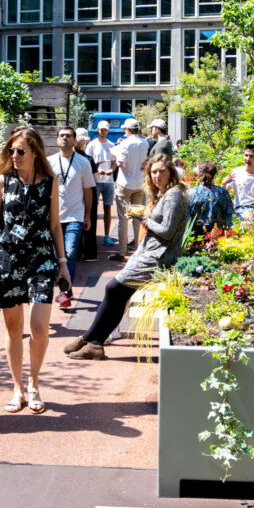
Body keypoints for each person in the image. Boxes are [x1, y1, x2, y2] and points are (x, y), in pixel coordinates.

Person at [66, 154, 188, 360]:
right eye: (154, 172)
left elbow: (167, 230)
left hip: (158, 257)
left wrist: (145, 220)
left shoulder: (174, 195)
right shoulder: (166, 193)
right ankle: (92, 340)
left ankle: (93, 340)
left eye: (162, 171)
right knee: (117, 293)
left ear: (171, 173)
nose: (157, 176)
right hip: (151, 253)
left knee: (114, 289)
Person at [0, 125, 68, 414]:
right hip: (8, 259)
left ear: (34, 153)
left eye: (20, 151)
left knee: (39, 328)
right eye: (11, 151)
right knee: (14, 327)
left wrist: (63, 263)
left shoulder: (49, 183)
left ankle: (34, 383)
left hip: (41, 258)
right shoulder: (1, 183)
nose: (14, 156)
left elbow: (55, 225)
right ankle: (17, 387)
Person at [48, 125, 94, 310]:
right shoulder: (49, 161)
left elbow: (88, 191)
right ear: (57, 139)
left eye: (68, 136)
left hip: (75, 215)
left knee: (69, 253)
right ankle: (63, 286)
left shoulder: (83, 163)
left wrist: (88, 215)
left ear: (75, 140)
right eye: (61, 136)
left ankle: (65, 290)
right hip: (53, 217)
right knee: (54, 255)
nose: (64, 138)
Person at [112, 123, 151, 250]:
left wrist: (117, 149)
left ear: (127, 129)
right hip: (139, 184)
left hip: (125, 184)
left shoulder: (125, 143)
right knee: (137, 218)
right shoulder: (144, 143)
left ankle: (122, 251)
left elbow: (119, 163)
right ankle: (138, 248)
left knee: (123, 219)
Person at [85, 125, 117, 251]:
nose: (103, 132)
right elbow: (88, 162)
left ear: (108, 130)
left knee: (108, 208)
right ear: (97, 130)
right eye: (101, 129)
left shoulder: (111, 145)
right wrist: (96, 169)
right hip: (95, 180)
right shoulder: (92, 145)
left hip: (108, 181)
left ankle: (107, 235)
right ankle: (92, 235)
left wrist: (111, 170)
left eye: (105, 129)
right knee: (92, 208)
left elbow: (114, 163)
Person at [186, 160, 234, 235]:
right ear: (214, 175)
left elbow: (186, 216)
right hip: (217, 234)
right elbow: (229, 215)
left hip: (195, 234)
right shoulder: (222, 192)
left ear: (199, 174)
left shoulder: (191, 193)